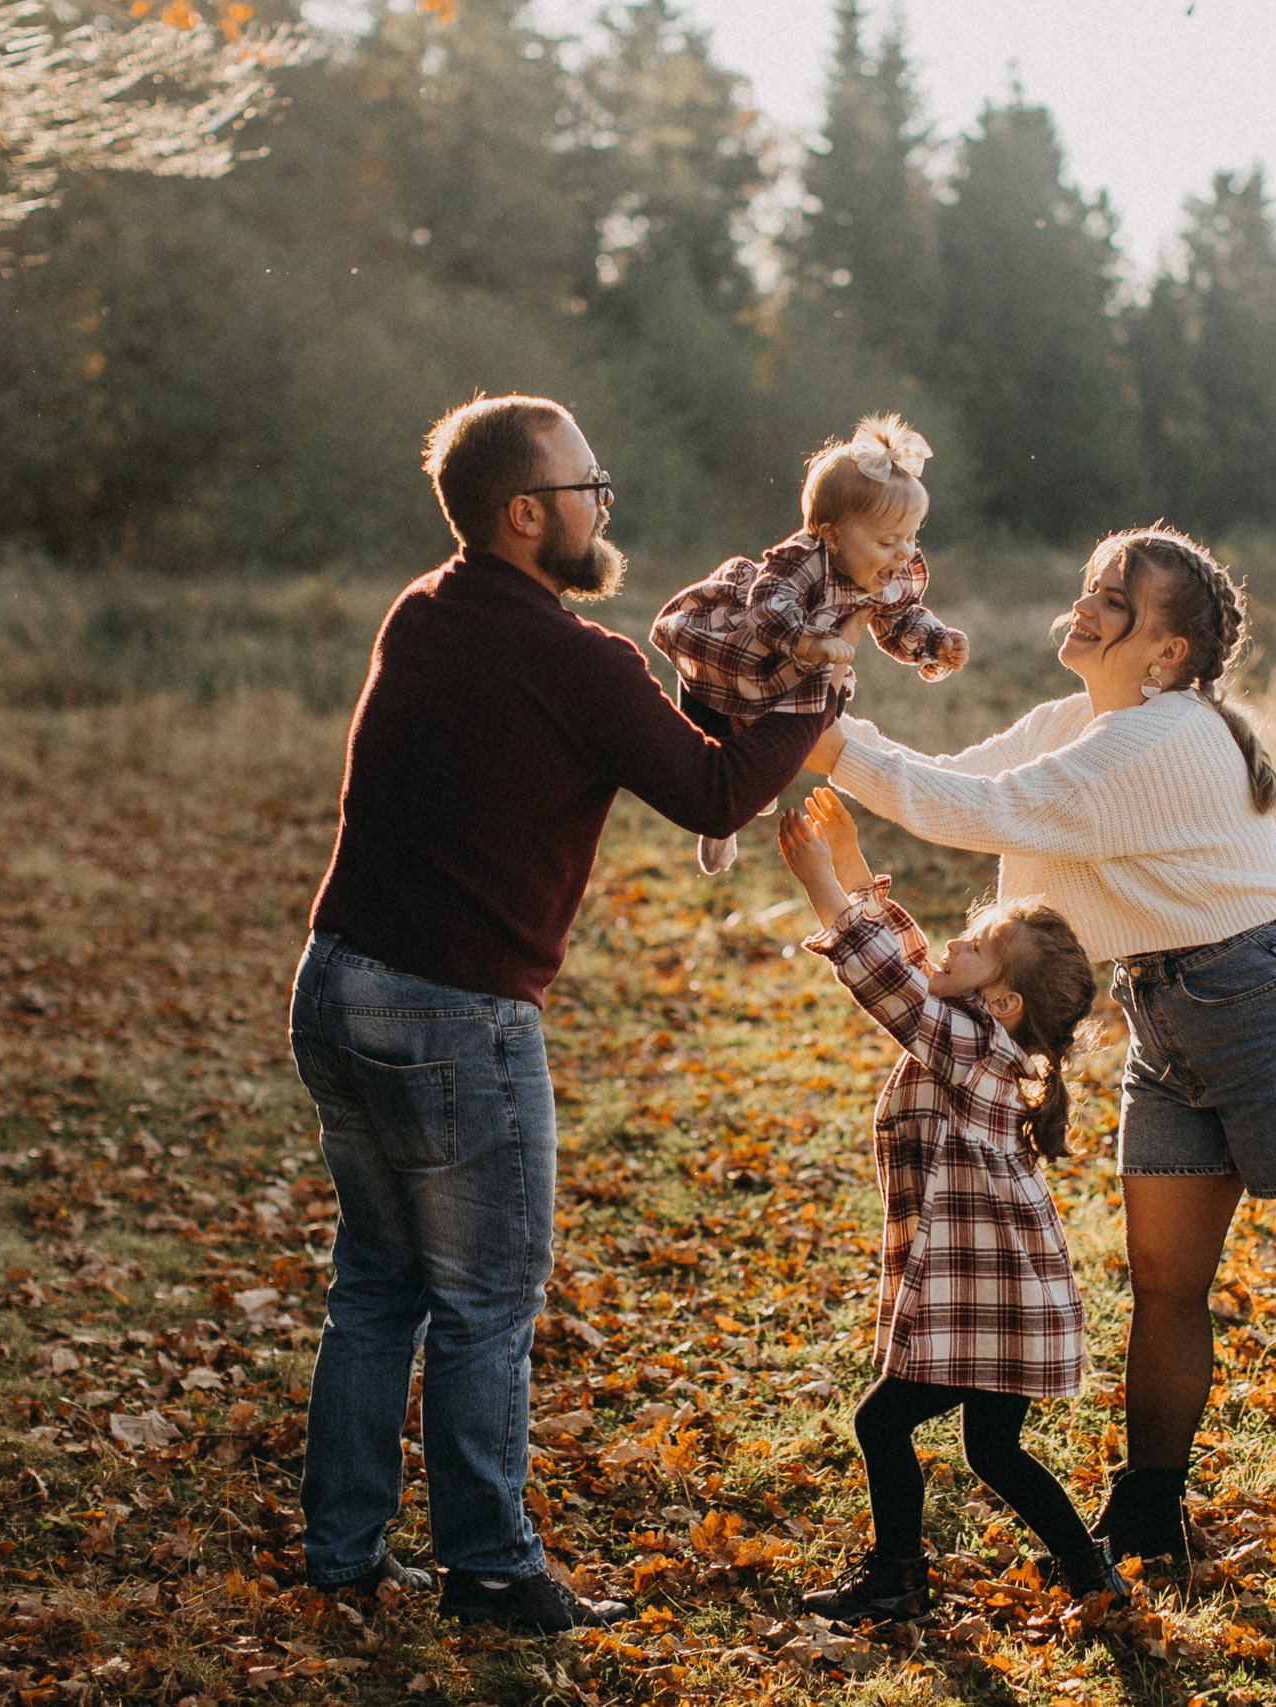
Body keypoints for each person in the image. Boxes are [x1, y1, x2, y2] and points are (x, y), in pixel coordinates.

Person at [808, 526, 1276, 1569]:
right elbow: (952, 778)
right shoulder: (1078, 721)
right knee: (1165, 1277)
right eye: (1090, 586)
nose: (1085, 606)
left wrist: (818, 736)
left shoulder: (1166, 735)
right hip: (1163, 1008)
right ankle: (1148, 1512)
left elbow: (982, 810)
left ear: (1167, 652)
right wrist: (816, 719)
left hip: (1268, 1002)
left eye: (1114, 599)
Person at [289, 394, 841, 1632]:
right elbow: (713, 793)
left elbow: (660, 743)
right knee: (484, 1300)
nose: (604, 506)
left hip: (337, 984)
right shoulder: (574, 657)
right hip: (451, 1016)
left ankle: (342, 1557)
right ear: (524, 514)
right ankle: (490, 1569)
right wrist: (818, 700)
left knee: (375, 1287)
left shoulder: (424, 610)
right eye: (587, 488)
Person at [774, 790, 1128, 1623]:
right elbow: (915, 966)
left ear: (1003, 1002)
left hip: (984, 1298)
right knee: (993, 1449)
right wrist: (853, 867)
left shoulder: (971, 1045)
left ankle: (898, 1579)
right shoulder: (984, 1032)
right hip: (1003, 1297)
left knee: (882, 1423)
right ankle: (1092, 1575)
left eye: (980, 945)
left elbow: (891, 987)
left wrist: (822, 885)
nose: (959, 939)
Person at [650, 413, 968, 873]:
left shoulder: (889, 571)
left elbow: (901, 618)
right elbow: (768, 605)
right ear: (833, 537)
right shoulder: (803, 559)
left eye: (911, 537)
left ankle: (760, 782)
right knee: (706, 719)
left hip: (799, 673)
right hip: (742, 651)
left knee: (822, 714)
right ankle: (719, 823)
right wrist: (808, 640)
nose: (903, 553)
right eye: (887, 541)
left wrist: (936, 641)